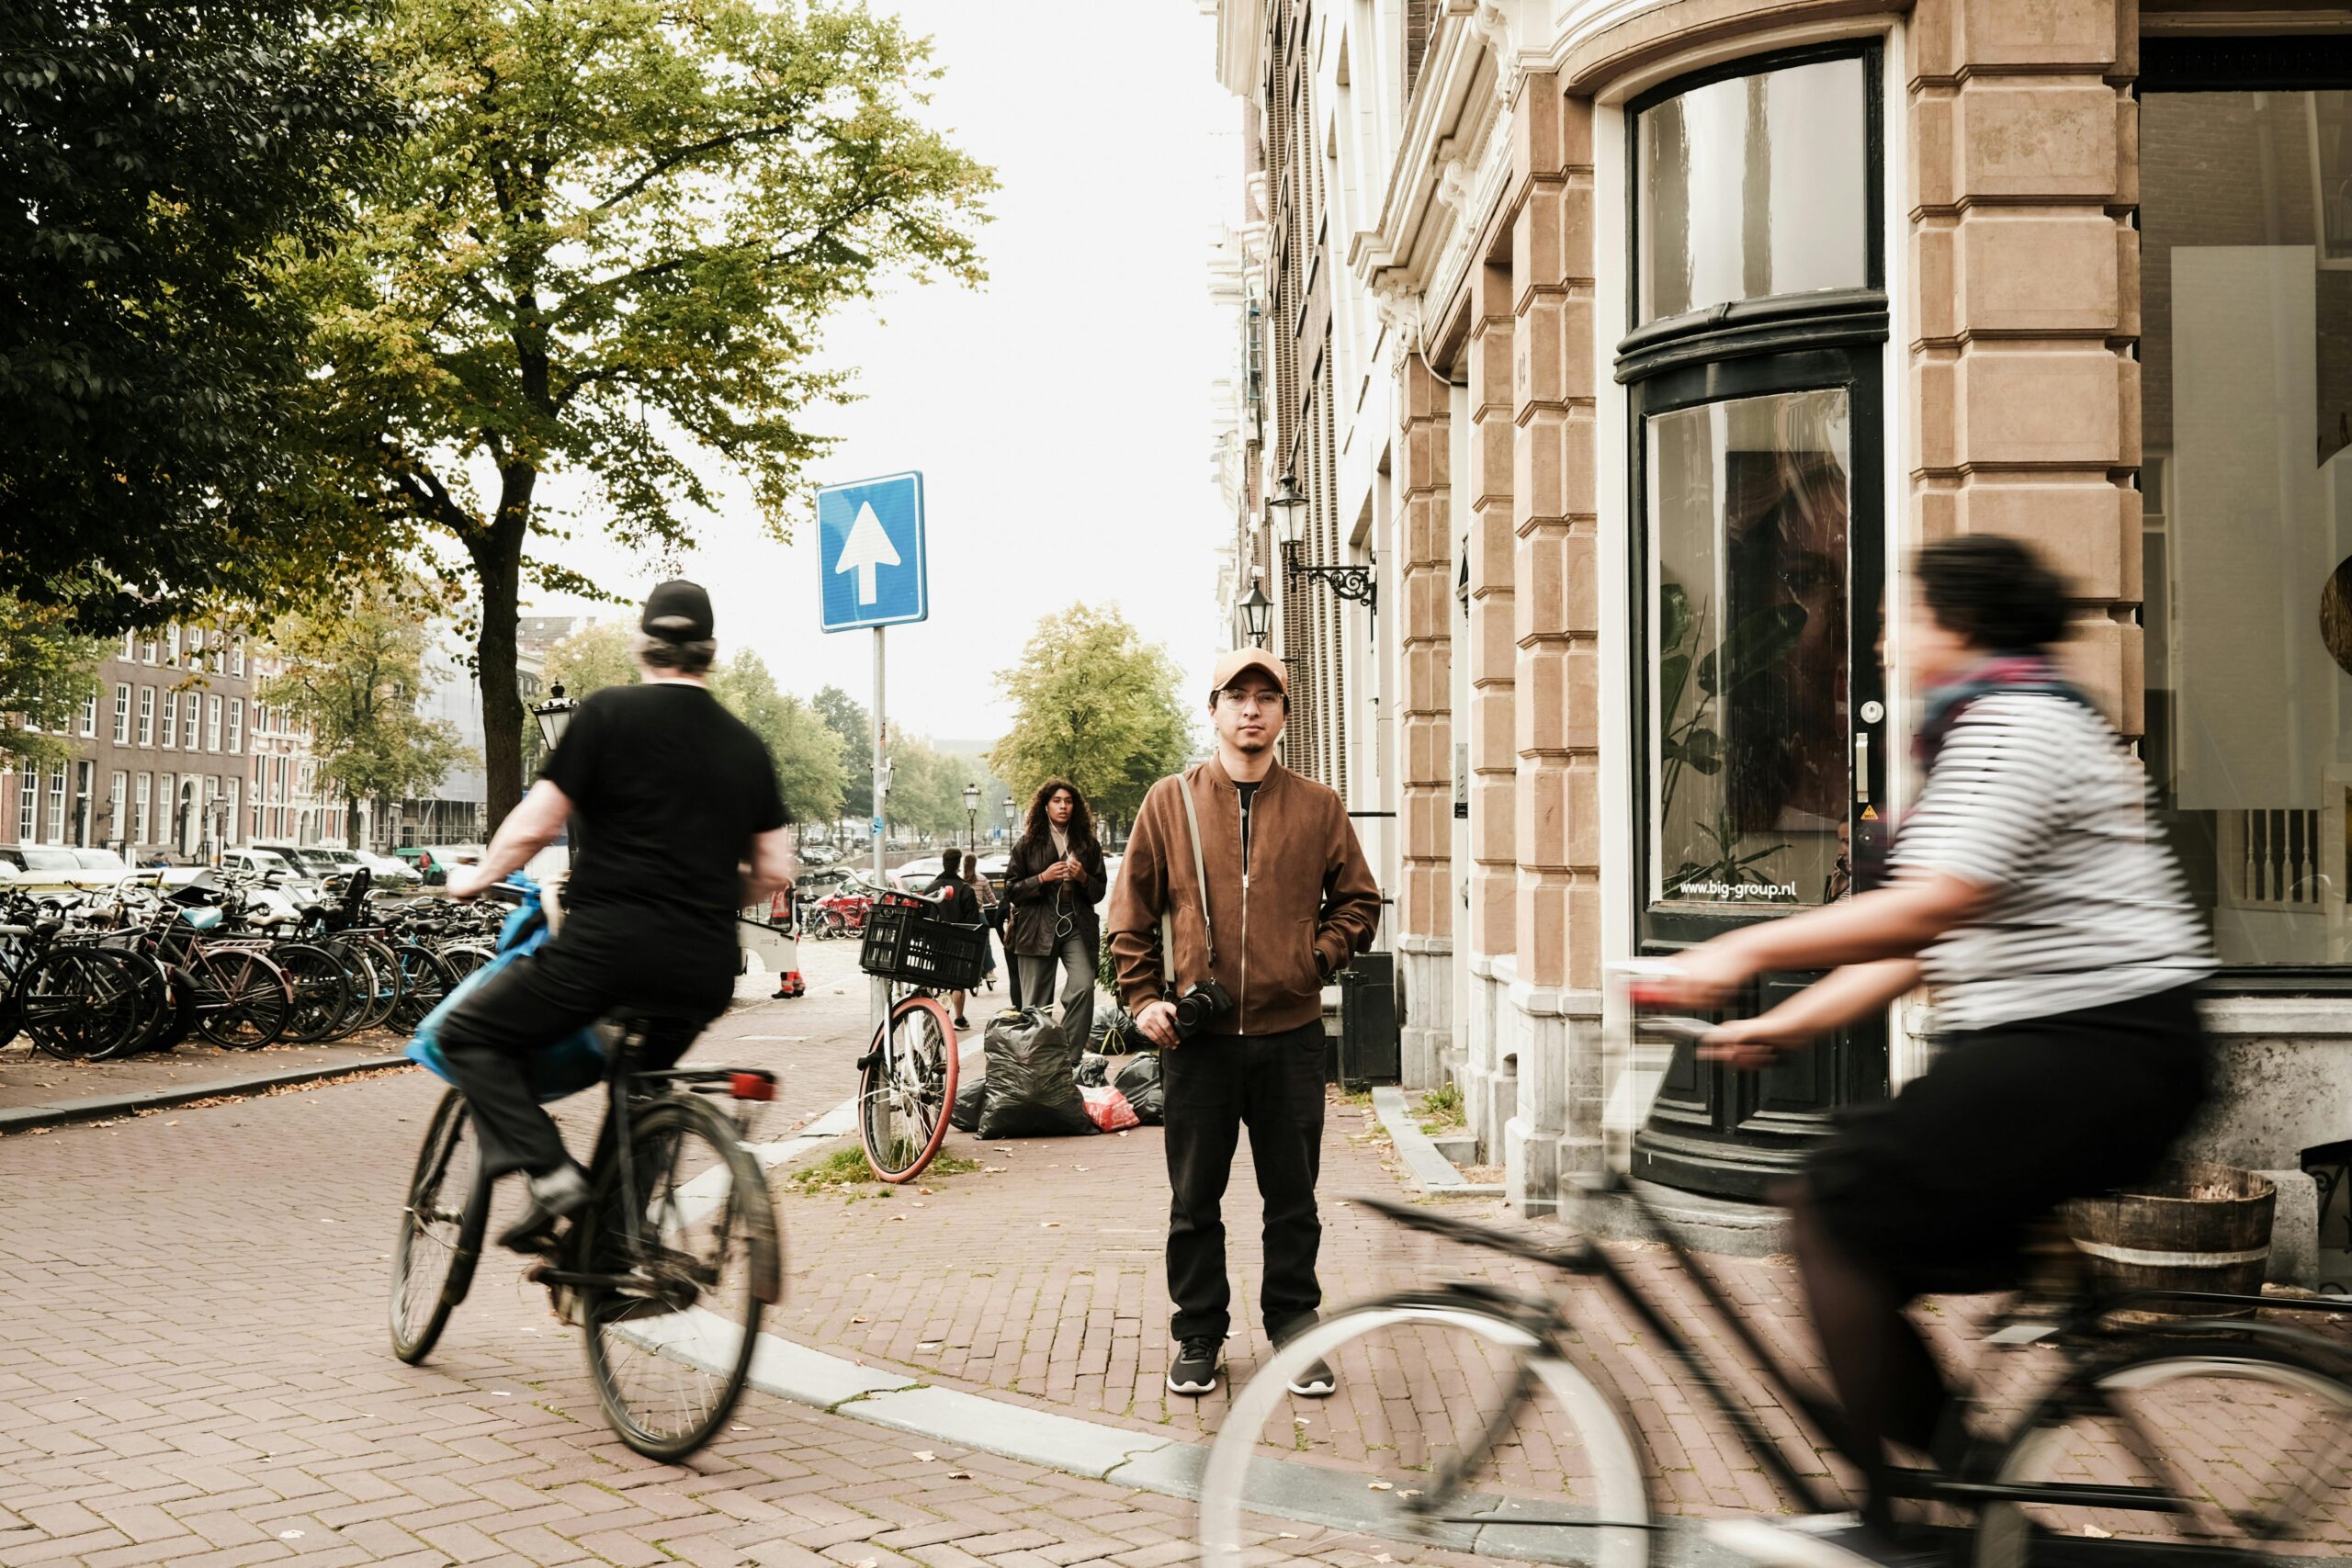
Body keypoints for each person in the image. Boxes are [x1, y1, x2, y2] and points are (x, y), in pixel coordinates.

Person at [1659, 536, 2213, 1568]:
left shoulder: (2013, 726)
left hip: (2093, 1050)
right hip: (2090, 1050)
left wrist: (1743, 945)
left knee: (1832, 1208)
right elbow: (1929, 935)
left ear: (1953, 626)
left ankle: (1898, 1520)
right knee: (1860, 1221)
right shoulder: (1996, 725)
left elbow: (1932, 907)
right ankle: (1967, 1508)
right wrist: (1781, 1022)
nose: (1879, 639)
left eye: (1896, 615)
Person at [436, 581, 796, 1251]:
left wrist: (476, 877)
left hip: (605, 953)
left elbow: (536, 825)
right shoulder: (745, 745)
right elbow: (775, 870)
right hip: (703, 969)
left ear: (642, 644)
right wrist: (707, 893)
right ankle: (612, 1249)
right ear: (710, 652)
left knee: (468, 1035)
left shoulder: (605, 715)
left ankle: (552, 1176)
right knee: (641, 1091)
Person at [1106, 649, 1381, 1400]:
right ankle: (1199, 1332)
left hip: (1291, 1035)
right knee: (1195, 1198)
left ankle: (1295, 1328)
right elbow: (1127, 915)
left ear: (1285, 715)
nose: (1252, 709)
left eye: (1267, 697)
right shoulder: (1170, 801)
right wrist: (1144, 1000)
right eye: (1238, 696)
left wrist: (1313, 958)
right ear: (1214, 709)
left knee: (1292, 1197)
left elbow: (1359, 901)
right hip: (1198, 1043)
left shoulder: (1320, 806)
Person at [1004, 780, 1108, 1044]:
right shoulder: (1027, 844)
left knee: (1084, 986)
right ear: (1045, 806)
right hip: (1036, 926)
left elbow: (1099, 892)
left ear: (1075, 806)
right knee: (1036, 1004)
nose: (1063, 806)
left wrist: (1084, 877)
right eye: (1057, 801)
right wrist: (1042, 878)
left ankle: (1069, 1056)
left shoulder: (1088, 845)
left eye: (1068, 801)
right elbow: (1011, 890)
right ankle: (1036, 1061)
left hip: (1075, 924)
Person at [923, 847, 985, 1029]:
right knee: (957, 982)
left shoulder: (930, 888)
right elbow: (972, 922)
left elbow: (924, 916)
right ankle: (958, 1018)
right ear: (958, 865)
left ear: (943, 863)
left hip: (935, 943)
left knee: (938, 979)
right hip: (958, 943)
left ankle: (938, 1014)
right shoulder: (965, 889)